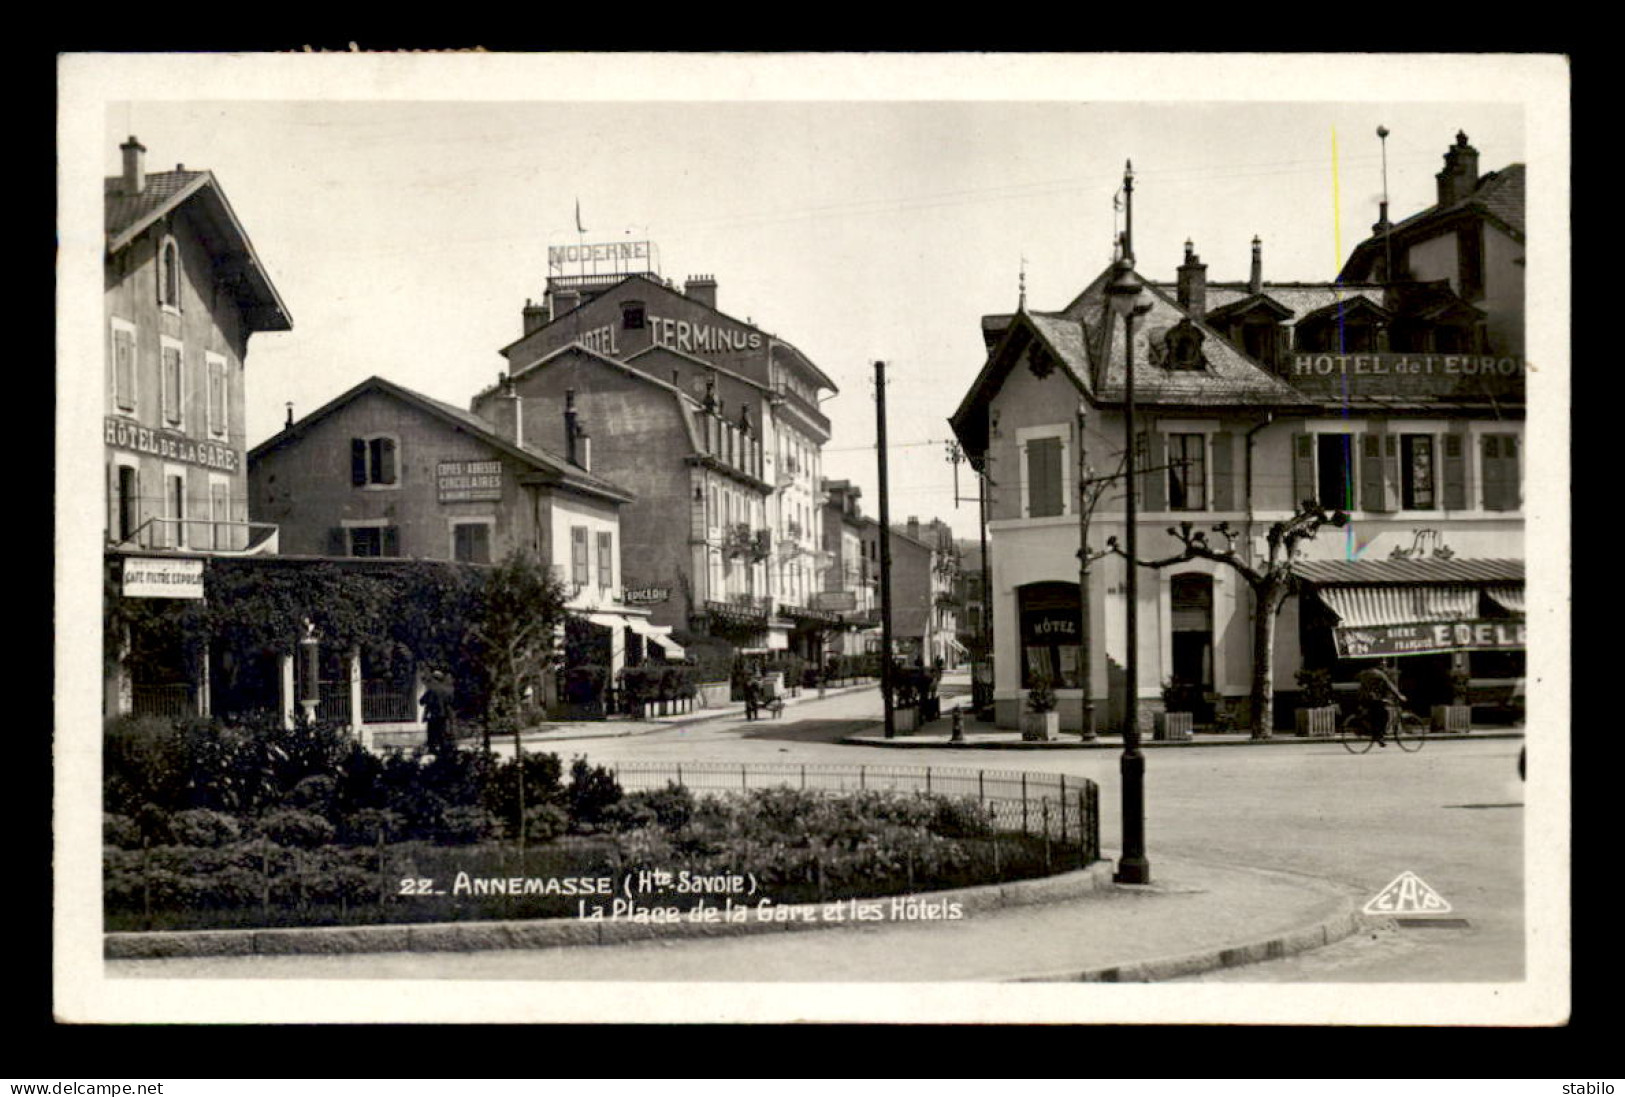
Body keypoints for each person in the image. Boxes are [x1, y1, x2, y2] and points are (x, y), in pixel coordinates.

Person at [1356, 662, 1406, 747]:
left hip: (1364, 698)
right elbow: (1389, 685)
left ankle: (1375, 732)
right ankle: (1379, 736)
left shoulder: (1364, 673)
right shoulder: (1379, 674)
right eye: (1384, 666)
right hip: (1372, 699)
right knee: (1384, 714)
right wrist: (1399, 696)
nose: (1385, 668)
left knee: (1376, 713)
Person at [421, 670, 455, 754]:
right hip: (443, 716)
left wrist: (424, 715)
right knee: (442, 735)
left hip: (433, 716)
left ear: (434, 679)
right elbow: (450, 704)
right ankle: (443, 752)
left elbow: (422, 701)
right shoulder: (446, 690)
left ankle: (433, 751)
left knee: (431, 736)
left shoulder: (431, 690)